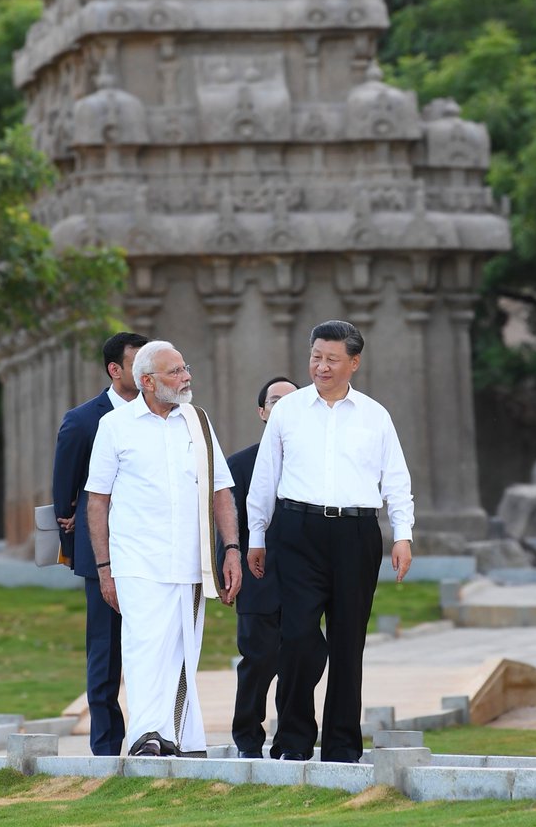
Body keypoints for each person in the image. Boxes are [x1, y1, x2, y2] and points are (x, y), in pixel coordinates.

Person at [247, 319, 414, 764]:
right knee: (298, 637)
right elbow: (265, 478)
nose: (321, 366)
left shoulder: (375, 415)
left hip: (357, 534)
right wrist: (256, 536)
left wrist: (404, 535)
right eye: (316, 357)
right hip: (297, 532)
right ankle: (294, 741)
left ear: (353, 363)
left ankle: (341, 747)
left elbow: (396, 480)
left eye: (332, 359)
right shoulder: (288, 410)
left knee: (347, 642)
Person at [85, 339, 242, 758]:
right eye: (175, 371)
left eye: (185, 367)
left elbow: (221, 490)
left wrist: (231, 549)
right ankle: (145, 737)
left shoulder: (198, 421)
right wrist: (104, 568)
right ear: (148, 381)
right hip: (136, 561)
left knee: (183, 652)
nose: (186, 376)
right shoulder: (115, 426)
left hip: (191, 562)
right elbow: (97, 501)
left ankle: (180, 741)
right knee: (142, 647)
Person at [52, 331, 147, 757]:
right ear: (115, 370)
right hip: (102, 555)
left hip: (154, 550)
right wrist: (77, 546)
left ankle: (156, 736)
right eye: (137, 364)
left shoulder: (165, 413)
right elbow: (65, 494)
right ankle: (106, 746)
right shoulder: (82, 419)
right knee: (106, 652)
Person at [218, 376, 298, 759]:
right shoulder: (239, 464)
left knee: (299, 663)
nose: (283, 406)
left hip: (305, 580)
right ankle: (248, 740)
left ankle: (291, 743)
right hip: (258, 579)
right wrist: (228, 570)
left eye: (292, 400)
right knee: (258, 660)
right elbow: (228, 523)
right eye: (275, 400)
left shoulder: (315, 462)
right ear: (262, 412)